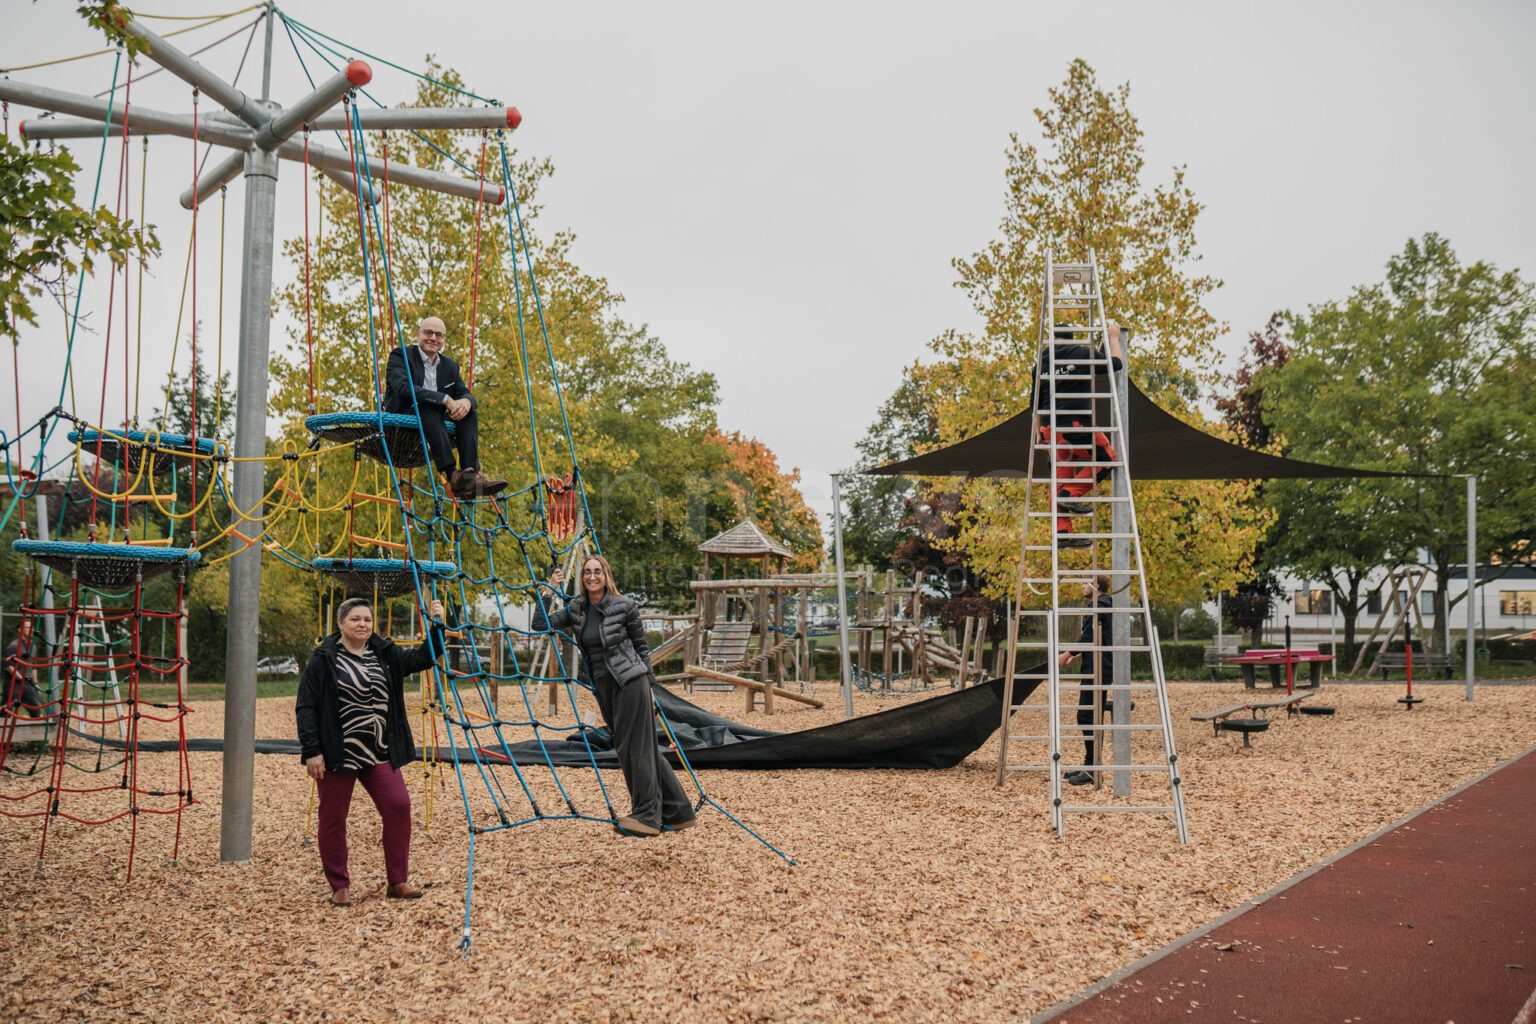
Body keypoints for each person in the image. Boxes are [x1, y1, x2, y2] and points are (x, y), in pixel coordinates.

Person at [295, 597, 447, 907]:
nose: (362, 624)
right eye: (355, 619)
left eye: (367, 619)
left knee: (398, 806)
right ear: (341, 623)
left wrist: (438, 626)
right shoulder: (324, 659)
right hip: (339, 753)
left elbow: (423, 658)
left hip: (378, 751)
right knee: (333, 817)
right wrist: (312, 751)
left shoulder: (384, 653)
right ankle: (339, 885)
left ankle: (397, 881)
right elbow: (306, 706)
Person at [547, 556, 696, 837]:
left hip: (630, 681)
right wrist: (549, 589)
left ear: (606, 575)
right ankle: (679, 811)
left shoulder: (624, 606)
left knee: (631, 747)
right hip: (603, 686)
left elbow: (641, 648)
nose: (592, 576)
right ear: (582, 578)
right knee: (642, 745)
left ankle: (647, 815)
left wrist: (650, 686)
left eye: (598, 571)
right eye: (587, 572)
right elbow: (540, 624)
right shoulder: (577, 608)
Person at [384, 316, 506, 501]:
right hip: (404, 419)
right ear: (418, 335)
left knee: (468, 414)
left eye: (439, 335)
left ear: (444, 340)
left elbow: (465, 393)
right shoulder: (401, 356)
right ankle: (452, 474)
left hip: (434, 423)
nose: (433, 338)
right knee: (431, 406)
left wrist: (466, 402)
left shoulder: (450, 367)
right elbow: (402, 388)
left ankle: (469, 478)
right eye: (428, 332)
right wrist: (443, 399)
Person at [1033, 321, 1125, 548]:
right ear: (1072, 339)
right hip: (1075, 426)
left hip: (1050, 430)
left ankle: (1063, 533)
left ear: (1053, 339)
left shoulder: (1041, 364)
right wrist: (1114, 338)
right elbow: (1115, 363)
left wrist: (1038, 434)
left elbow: (1035, 403)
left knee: (1060, 478)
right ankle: (1070, 495)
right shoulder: (1081, 354)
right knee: (1107, 459)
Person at [1058, 575, 1113, 786]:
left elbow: (1090, 636)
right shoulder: (1104, 604)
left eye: (1085, 583)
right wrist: (1079, 654)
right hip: (1098, 664)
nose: (1082, 586)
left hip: (1098, 668)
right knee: (1090, 715)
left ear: (1096, 585)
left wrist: (1067, 653)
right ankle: (1090, 765)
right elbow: (1100, 637)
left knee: (1087, 716)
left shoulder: (1098, 606)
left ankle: (1092, 768)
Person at [3, 626, 44, 718]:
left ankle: (35, 726)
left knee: (35, 709)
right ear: (20, 629)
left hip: (27, 683)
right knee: (6, 711)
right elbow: (8, 666)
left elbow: (33, 666)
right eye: (27, 627)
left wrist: (35, 684)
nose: (31, 630)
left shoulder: (32, 646)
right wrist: (21, 678)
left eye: (32, 628)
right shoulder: (13, 646)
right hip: (13, 683)